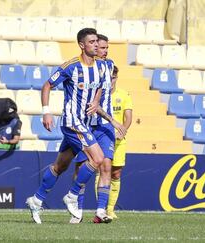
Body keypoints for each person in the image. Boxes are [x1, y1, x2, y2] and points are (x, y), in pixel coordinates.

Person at [25, 28, 126, 224]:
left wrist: (96, 103)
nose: (96, 45)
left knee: (60, 165)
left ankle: (36, 200)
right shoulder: (71, 66)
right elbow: (47, 85)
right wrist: (46, 111)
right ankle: (72, 196)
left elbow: (99, 87)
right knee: (97, 158)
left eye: (97, 41)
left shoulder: (101, 66)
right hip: (73, 122)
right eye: (92, 42)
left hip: (86, 123)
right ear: (82, 45)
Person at [71, 34, 115, 224]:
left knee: (106, 166)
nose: (102, 50)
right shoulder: (84, 68)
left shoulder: (110, 66)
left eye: (105, 48)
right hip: (86, 123)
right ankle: (77, 211)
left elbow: (109, 89)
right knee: (82, 167)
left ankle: (100, 211)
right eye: (99, 47)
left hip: (104, 125)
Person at [106, 65, 132, 219]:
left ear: (117, 77)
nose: (111, 81)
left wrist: (122, 131)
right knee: (103, 171)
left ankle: (110, 209)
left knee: (115, 173)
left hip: (118, 139)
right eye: (109, 77)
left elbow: (128, 117)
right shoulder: (99, 95)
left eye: (113, 77)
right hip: (102, 137)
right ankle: (101, 207)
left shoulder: (124, 95)